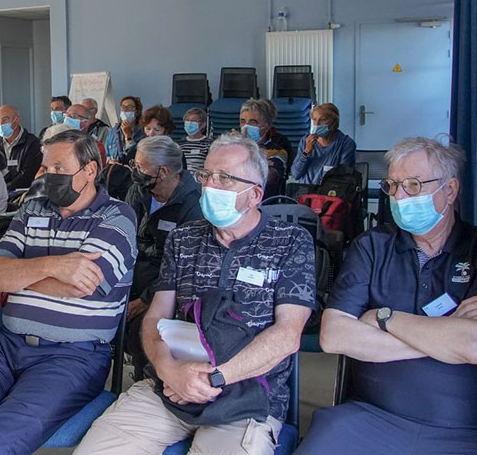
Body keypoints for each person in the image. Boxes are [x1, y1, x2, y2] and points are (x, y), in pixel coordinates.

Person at [74, 133, 316, 455]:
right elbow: (156, 317)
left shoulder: (290, 242)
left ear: (255, 194)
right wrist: (168, 369)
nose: (210, 186)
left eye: (225, 178)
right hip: (172, 385)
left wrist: (214, 379)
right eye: (206, 175)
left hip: (246, 393)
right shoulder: (184, 239)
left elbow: (287, 335)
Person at [0, 130, 137, 455]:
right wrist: (53, 267)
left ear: (89, 170)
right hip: (5, 346)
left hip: (72, 356)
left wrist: (21, 273)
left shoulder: (116, 216)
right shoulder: (32, 210)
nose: (48, 177)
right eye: (45, 169)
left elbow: (82, 287)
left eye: (60, 169)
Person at [296, 137, 477, 455]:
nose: (399, 197)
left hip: (465, 430)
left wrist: (383, 318)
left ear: (450, 190)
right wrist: (443, 337)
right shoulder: (371, 247)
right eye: (392, 185)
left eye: (413, 185)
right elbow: (333, 336)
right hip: (367, 419)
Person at [123, 136, 203, 380]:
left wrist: (144, 300)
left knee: (141, 328)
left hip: (167, 284)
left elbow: (186, 265)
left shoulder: (194, 203)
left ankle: (146, 380)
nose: (135, 171)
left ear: (164, 171)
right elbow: (124, 233)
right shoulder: (139, 189)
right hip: (133, 272)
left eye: (141, 166)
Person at [291, 103, 357, 185]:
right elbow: (295, 174)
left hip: (331, 191)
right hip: (306, 191)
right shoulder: (305, 141)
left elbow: (344, 176)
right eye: (314, 119)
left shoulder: (346, 143)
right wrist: (306, 151)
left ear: (333, 122)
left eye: (322, 120)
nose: (317, 124)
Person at [238, 98, 292, 198]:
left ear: (267, 125)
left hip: (265, 204)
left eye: (253, 122)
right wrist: (261, 165)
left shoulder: (278, 151)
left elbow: (266, 177)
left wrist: (246, 151)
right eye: (243, 121)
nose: (246, 126)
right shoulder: (234, 148)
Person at [0, 104, 42, 191]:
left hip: (21, 193)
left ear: (17, 120)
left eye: (5, 120)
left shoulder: (32, 143)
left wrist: (4, 189)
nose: (0, 124)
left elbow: (27, 175)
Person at [107, 95, 144, 163]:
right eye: (123, 107)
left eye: (129, 107)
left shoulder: (143, 132)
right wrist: (109, 161)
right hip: (115, 170)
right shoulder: (113, 132)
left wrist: (128, 136)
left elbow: (134, 155)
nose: (125, 110)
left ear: (137, 112)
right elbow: (106, 155)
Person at [178, 107, 210, 172]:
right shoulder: (178, 144)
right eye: (187, 120)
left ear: (203, 124)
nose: (189, 123)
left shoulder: (209, 143)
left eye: (193, 121)